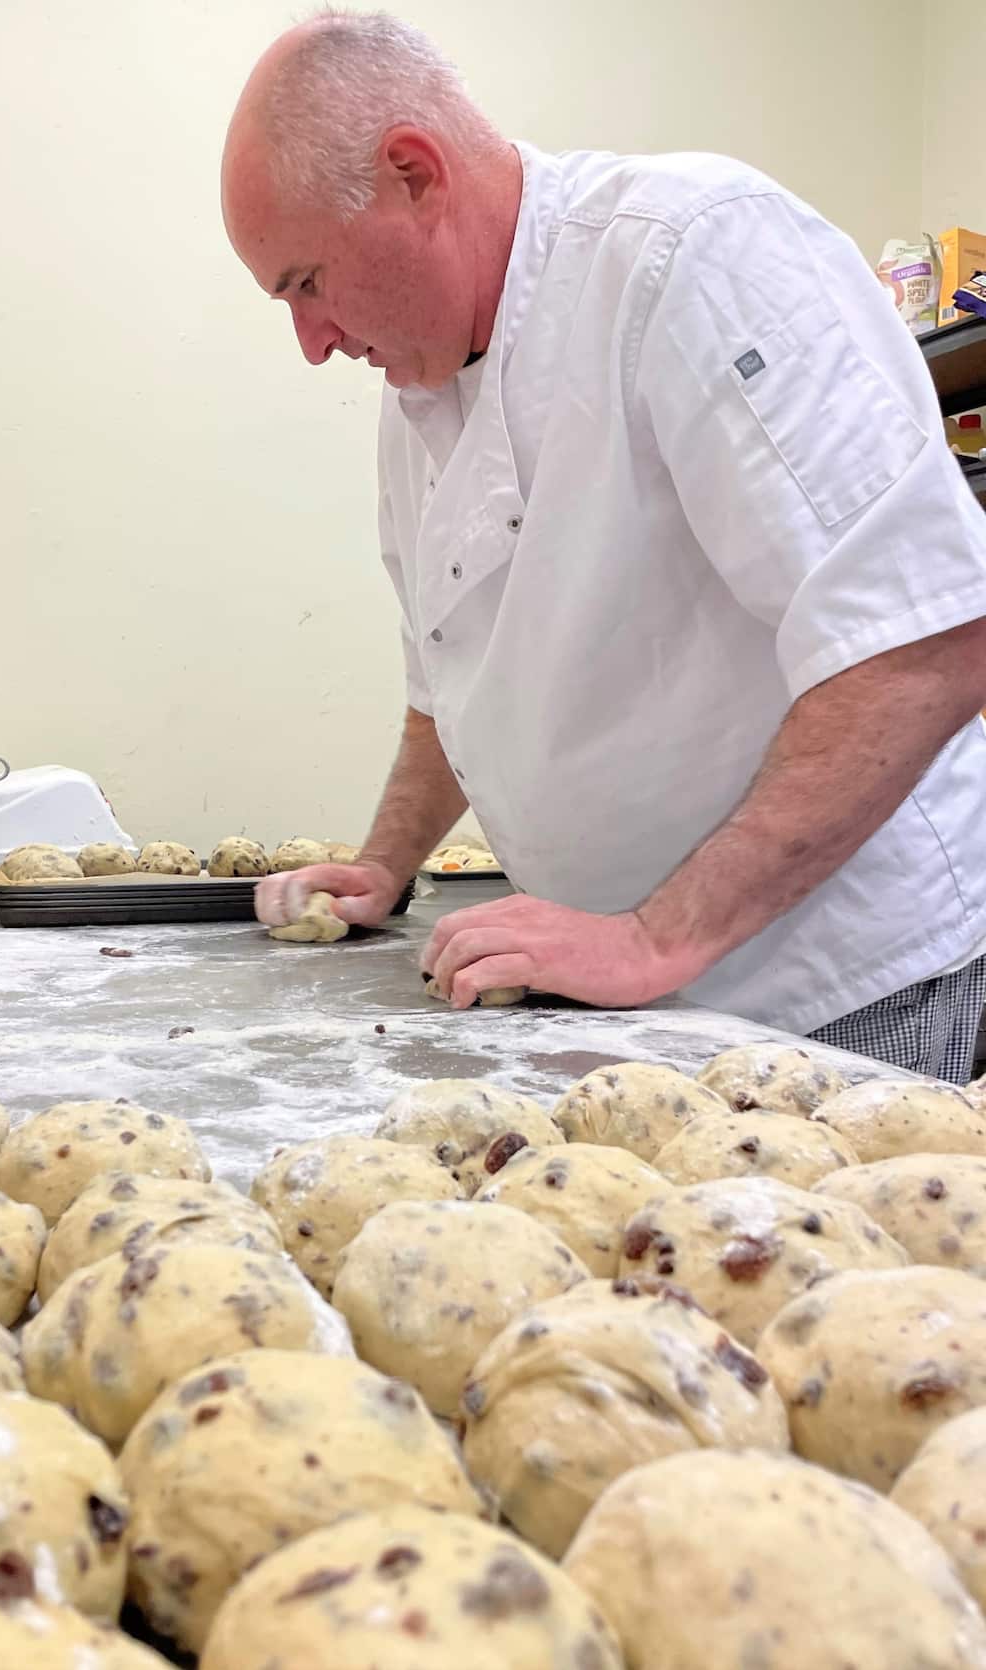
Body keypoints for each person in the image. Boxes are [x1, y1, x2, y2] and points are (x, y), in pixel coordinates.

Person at [220, 11, 986, 1081]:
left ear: (412, 173)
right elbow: (453, 681)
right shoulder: (417, 397)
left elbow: (925, 642)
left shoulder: (691, 257)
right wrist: (382, 863)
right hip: (613, 1000)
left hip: (824, 991)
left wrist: (656, 936)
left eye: (304, 282)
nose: (309, 342)